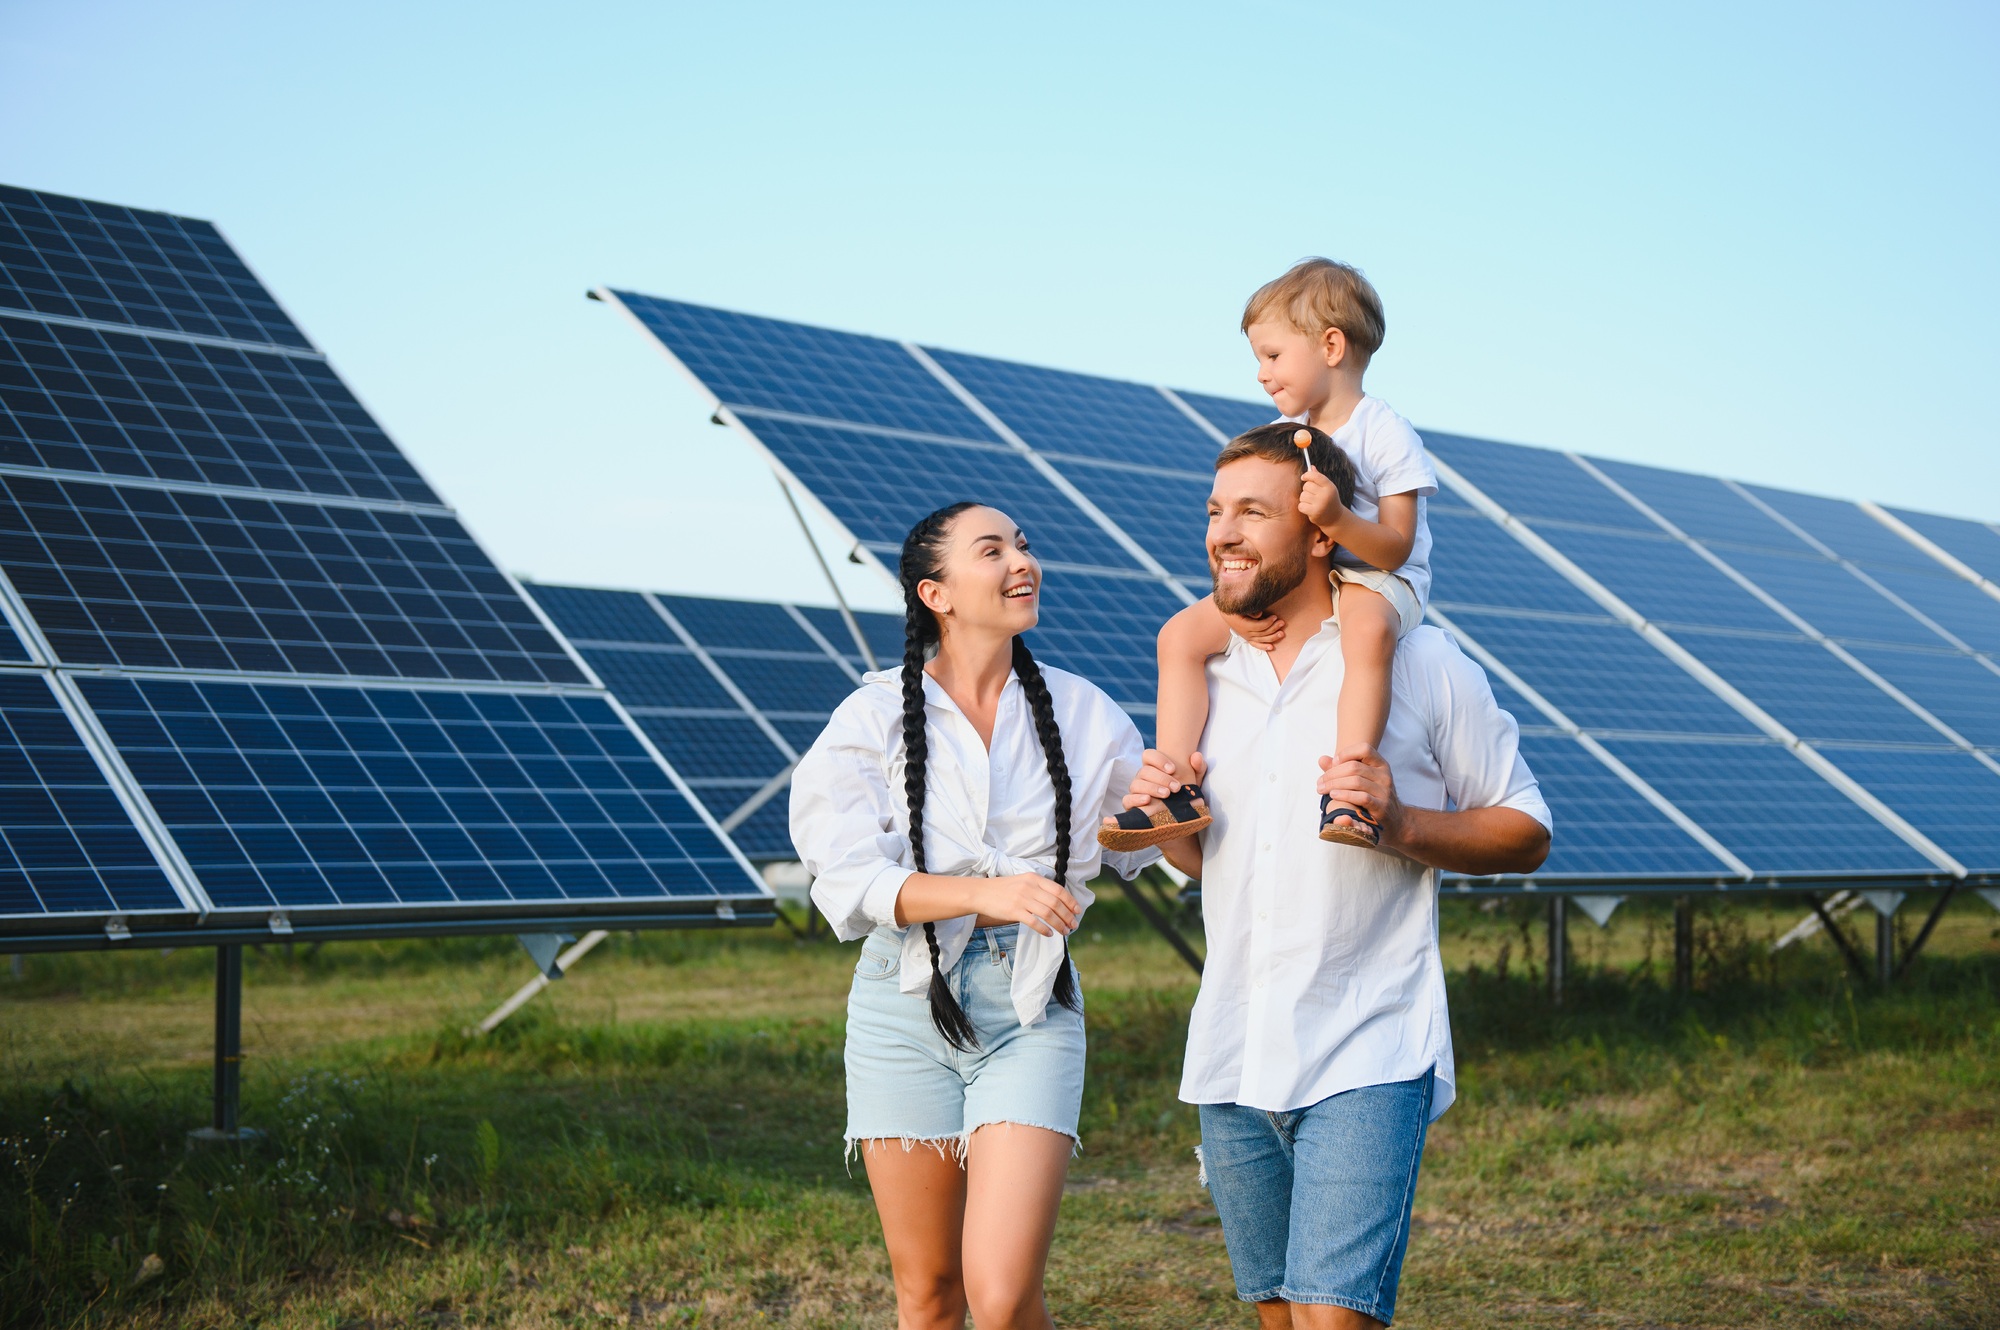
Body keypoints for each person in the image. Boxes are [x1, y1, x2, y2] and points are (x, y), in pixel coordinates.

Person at [1128, 427, 1551, 1329]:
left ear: (1321, 532)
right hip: (1233, 1050)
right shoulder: (1205, 675)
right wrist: (1169, 822)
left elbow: (1526, 832)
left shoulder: (1423, 663)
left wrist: (1401, 824)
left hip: (1369, 1044)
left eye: (1252, 512)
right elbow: (1207, 864)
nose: (1221, 533)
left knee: (1331, 1321)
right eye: (1215, 511)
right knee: (1280, 1319)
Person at [790, 501, 1159, 1330]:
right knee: (928, 1294)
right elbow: (847, 878)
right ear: (937, 593)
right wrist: (984, 893)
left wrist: (1169, 803)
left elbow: (1137, 843)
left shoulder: (1085, 712)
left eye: (1022, 546)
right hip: (900, 1002)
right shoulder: (873, 717)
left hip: (1031, 1006)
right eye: (992, 551)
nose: (1021, 562)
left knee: (1001, 1295)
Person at [1101, 258, 1438, 852]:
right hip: (1308, 575)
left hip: (1379, 578)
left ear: (1331, 346)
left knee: (1365, 632)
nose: (1262, 374)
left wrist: (1337, 520)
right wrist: (1236, 611)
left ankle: (1350, 786)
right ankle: (1174, 788)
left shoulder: (1385, 432)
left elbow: (1396, 546)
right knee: (1179, 636)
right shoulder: (1287, 428)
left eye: (1273, 355)